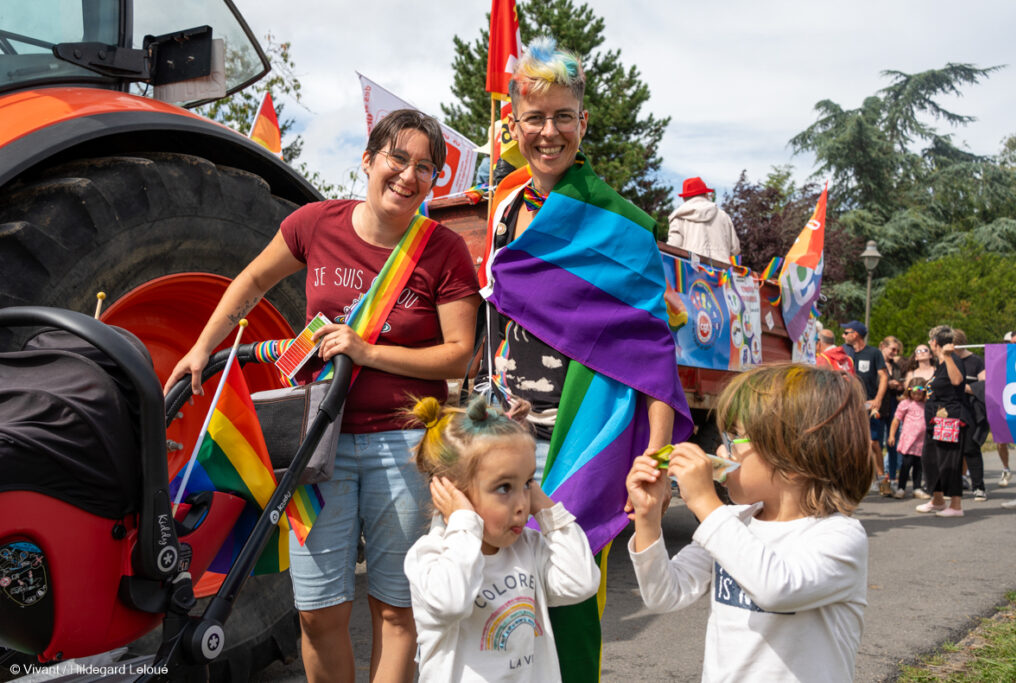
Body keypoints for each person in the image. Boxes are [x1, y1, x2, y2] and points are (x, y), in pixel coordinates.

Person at [164, 109, 481, 683]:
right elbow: (252, 281)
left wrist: (367, 351)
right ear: (368, 160)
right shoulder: (314, 224)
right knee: (316, 612)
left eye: (425, 168)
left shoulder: (443, 251)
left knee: (396, 609)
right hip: (317, 445)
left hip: (404, 445)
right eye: (398, 159)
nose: (409, 176)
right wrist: (199, 348)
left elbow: (459, 353)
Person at [478, 37, 691, 682]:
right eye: (535, 118)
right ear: (513, 124)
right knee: (496, 602)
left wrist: (653, 457)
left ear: (583, 123)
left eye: (563, 116)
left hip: (577, 434)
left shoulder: (621, 226)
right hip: (504, 435)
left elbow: (652, 352)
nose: (549, 132)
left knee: (570, 597)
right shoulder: (508, 209)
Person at [625, 364, 873, 683]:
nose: (720, 451)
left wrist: (704, 502)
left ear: (793, 456)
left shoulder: (839, 535)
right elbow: (664, 593)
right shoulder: (733, 522)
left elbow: (776, 589)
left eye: (735, 439)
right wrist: (647, 520)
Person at [403, 396, 601, 682]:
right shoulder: (430, 556)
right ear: (453, 493)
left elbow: (581, 583)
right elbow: (452, 603)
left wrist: (545, 509)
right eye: (505, 487)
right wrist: (464, 522)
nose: (522, 503)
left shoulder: (529, 548)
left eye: (527, 483)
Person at [915, 325, 970, 517]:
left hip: (950, 419)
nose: (929, 344)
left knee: (949, 462)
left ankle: (956, 506)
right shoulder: (940, 364)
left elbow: (957, 381)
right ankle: (937, 499)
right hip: (935, 420)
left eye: (930, 341)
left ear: (935, 343)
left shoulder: (951, 359)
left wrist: (947, 356)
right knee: (930, 460)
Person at [841, 320, 890, 495]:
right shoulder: (843, 352)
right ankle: (856, 479)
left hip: (869, 403)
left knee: (873, 443)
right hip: (848, 403)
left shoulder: (874, 353)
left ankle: (882, 478)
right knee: (850, 443)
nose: (843, 336)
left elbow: (883, 376)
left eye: (846, 332)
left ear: (856, 335)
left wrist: (878, 399)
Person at [666, 176, 741, 263]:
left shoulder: (678, 216)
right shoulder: (723, 216)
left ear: (684, 198)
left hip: (692, 272)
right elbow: (735, 249)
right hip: (722, 273)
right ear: (705, 194)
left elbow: (673, 248)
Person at [953, 329, 987, 501]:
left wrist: (965, 387)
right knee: (950, 449)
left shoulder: (976, 361)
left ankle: (979, 487)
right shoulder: (949, 360)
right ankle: (953, 485)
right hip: (952, 409)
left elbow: (984, 383)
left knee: (971, 448)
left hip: (971, 410)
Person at [889, 377, 928, 499]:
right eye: (914, 394)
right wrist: (891, 435)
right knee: (906, 464)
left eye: (919, 394)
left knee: (919, 465)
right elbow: (896, 420)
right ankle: (901, 488)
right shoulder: (905, 404)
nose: (916, 396)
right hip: (909, 440)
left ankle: (917, 488)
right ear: (909, 392)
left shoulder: (926, 405)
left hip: (921, 441)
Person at [995, 328, 1016, 488]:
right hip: (1007, 404)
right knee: (1001, 440)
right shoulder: (1004, 359)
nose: (1012, 346)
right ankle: (1006, 469)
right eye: (1008, 343)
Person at [880, 336, 905, 482]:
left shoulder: (896, 367)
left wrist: (899, 387)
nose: (895, 353)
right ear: (883, 346)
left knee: (892, 442)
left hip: (893, 407)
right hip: (878, 406)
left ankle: (892, 476)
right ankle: (879, 474)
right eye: (892, 349)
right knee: (875, 442)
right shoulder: (876, 363)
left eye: (896, 350)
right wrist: (886, 384)